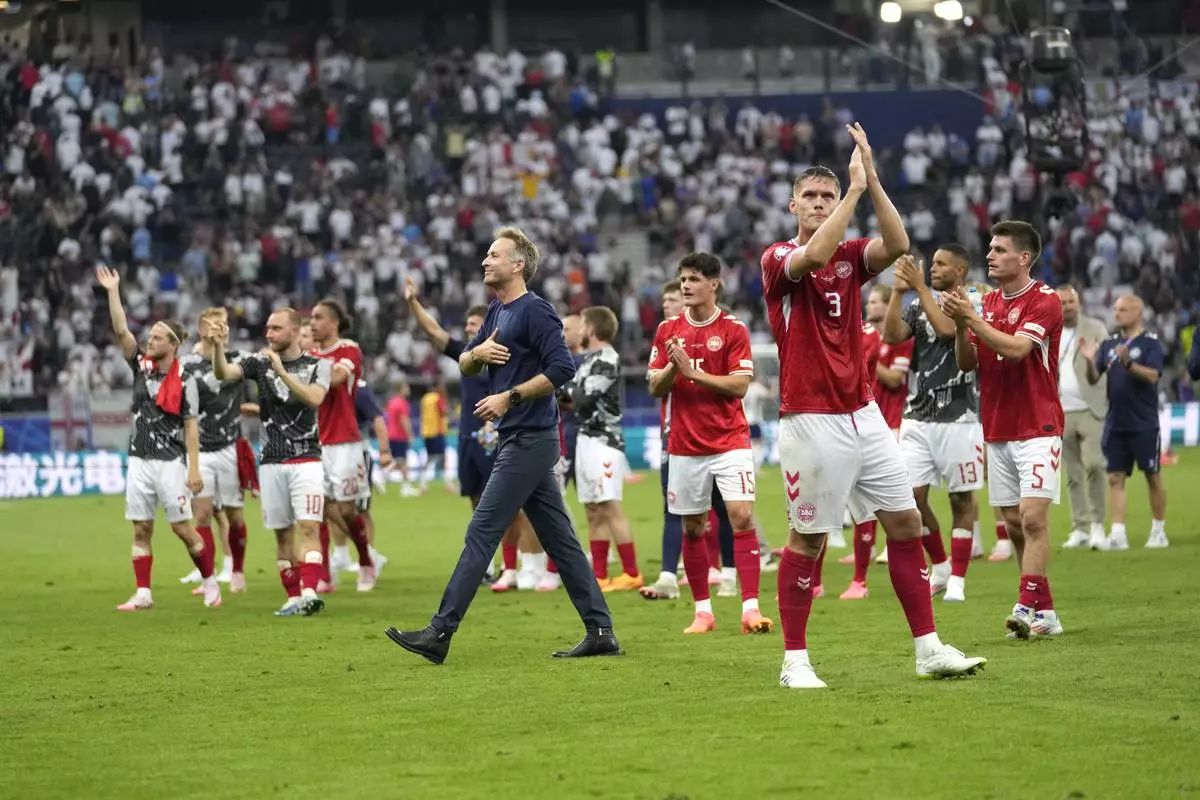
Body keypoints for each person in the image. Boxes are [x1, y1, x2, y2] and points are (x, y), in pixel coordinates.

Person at [760, 124, 985, 688]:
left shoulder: (854, 257)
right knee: (808, 539)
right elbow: (814, 254)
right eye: (809, 197)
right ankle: (794, 661)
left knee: (906, 522)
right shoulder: (779, 257)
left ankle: (929, 649)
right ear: (793, 205)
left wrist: (873, 182)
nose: (817, 204)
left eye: (827, 197)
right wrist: (853, 194)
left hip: (863, 414)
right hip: (809, 416)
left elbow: (900, 244)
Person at [385, 227, 620, 663]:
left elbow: (563, 367)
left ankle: (440, 632)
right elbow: (464, 361)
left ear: (517, 265)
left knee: (481, 532)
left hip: (531, 438)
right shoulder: (496, 312)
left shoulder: (536, 311)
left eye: (494, 255)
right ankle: (601, 629)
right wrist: (479, 354)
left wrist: (508, 397)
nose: (484, 261)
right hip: (518, 437)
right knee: (562, 543)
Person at [943, 219, 1065, 639]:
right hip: (997, 427)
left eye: (999, 249)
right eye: (990, 248)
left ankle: (1025, 604)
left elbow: (1016, 350)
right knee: (1013, 523)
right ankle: (1045, 614)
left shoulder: (1045, 301)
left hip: (1038, 424)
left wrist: (970, 319)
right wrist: (962, 324)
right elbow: (966, 363)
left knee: (1033, 518)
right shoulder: (988, 302)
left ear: (1024, 257)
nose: (990, 255)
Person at [648, 252, 772, 636]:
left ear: (714, 283)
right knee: (693, 526)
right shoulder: (668, 330)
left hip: (729, 439)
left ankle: (750, 608)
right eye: (683, 278)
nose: (686, 285)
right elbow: (654, 386)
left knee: (741, 515)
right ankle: (703, 611)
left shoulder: (734, 330)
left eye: (694, 279)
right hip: (684, 444)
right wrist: (674, 366)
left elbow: (739, 385)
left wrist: (694, 373)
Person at [96, 266, 220, 611]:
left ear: (173, 345)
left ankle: (210, 581)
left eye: (157, 337)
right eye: (150, 336)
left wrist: (194, 469)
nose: (150, 341)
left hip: (169, 461)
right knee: (141, 528)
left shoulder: (185, 382)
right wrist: (113, 291)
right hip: (139, 459)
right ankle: (143, 593)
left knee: (182, 529)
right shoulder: (141, 366)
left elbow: (191, 426)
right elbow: (121, 329)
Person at [403, 277, 537, 590]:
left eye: (475, 324)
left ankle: (512, 565)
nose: (468, 330)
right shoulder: (468, 356)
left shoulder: (505, 356)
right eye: (467, 325)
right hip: (467, 439)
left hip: (495, 437)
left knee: (507, 504)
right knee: (477, 502)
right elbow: (434, 333)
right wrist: (412, 302)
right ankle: (489, 563)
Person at [210, 308, 331, 617]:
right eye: (267, 327)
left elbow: (315, 399)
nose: (269, 333)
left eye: (276, 328)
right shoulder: (258, 363)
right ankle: (292, 597)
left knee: (308, 527)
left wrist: (281, 372)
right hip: (272, 461)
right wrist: (218, 347)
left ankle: (308, 592)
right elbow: (224, 373)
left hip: (306, 459)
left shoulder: (318, 365)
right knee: (281, 534)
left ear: (294, 331)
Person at [879, 246, 983, 603]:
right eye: (932, 264)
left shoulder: (974, 301)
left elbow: (947, 331)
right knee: (909, 498)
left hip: (960, 417)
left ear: (961, 268)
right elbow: (891, 335)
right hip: (918, 416)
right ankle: (939, 566)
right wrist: (897, 291)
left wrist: (920, 288)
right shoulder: (918, 301)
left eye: (941, 264)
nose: (934, 268)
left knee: (960, 499)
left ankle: (958, 579)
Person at [1080, 294, 1169, 549]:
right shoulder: (1109, 344)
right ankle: (1118, 535)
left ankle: (1158, 531)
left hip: (1144, 423)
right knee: (1115, 478)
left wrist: (1129, 363)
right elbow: (1094, 378)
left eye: (1122, 309)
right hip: (1115, 423)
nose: (1116, 313)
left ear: (1137, 312)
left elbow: (1153, 375)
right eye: (1115, 309)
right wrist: (1088, 361)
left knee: (1152, 475)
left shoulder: (1150, 343)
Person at [840, 283, 912, 586]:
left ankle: (886, 547)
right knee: (858, 497)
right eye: (867, 303)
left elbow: (895, 379)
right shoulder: (859, 335)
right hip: (859, 422)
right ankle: (867, 549)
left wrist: (867, 363)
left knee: (889, 494)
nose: (870, 308)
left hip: (891, 421)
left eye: (875, 302)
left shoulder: (898, 340)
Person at [181, 307, 251, 594]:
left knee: (235, 515)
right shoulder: (186, 364)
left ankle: (237, 570)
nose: (222, 329)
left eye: (225, 324)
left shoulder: (239, 359)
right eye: (215, 324)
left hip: (230, 448)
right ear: (202, 329)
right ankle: (208, 577)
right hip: (200, 450)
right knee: (203, 516)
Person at [571, 306, 642, 591]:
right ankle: (599, 575)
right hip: (586, 440)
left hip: (604, 442)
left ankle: (631, 572)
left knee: (610, 505)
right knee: (593, 508)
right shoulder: (591, 361)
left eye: (583, 324)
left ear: (592, 329)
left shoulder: (607, 360)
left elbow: (581, 399)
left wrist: (568, 392)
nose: (579, 329)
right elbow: (568, 395)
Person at [1056, 286, 1110, 550]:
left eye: (1070, 301)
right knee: (1072, 473)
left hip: (1090, 407)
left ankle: (1098, 525)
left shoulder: (1095, 328)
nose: (1066, 306)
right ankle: (1080, 528)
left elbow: (1102, 370)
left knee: (1095, 465)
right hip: (1060, 410)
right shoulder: (1048, 331)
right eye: (1062, 302)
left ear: (1079, 303)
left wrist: (1091, 360)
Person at [351, 377, 393, 573]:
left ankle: (369, 556)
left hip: (358, 451)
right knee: (332, 508)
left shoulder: (359, 387)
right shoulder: (322, 380)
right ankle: (342, 554)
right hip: (328, 451)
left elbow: (377, 418)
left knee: (361, 508)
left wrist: (384, 451)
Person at [385, 380, 418, 496]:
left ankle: (384, 476)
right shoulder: (402, 403)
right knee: (402, 462)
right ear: (401, 389)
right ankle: (406, 487)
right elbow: (404, 421)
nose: (408, 389)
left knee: (397, 461)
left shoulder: (392, 402)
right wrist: (410, 435)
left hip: (391, 435)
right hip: (399, 436)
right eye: (406, 387)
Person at [420, 379, 452, 492]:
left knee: (429, 458)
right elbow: (443, 412)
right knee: (443, 458)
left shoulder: (425, 398)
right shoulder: (438, 398)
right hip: (437, 432)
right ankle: (448, 484)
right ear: (437, 387)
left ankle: (423, 485)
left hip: (427, 432)